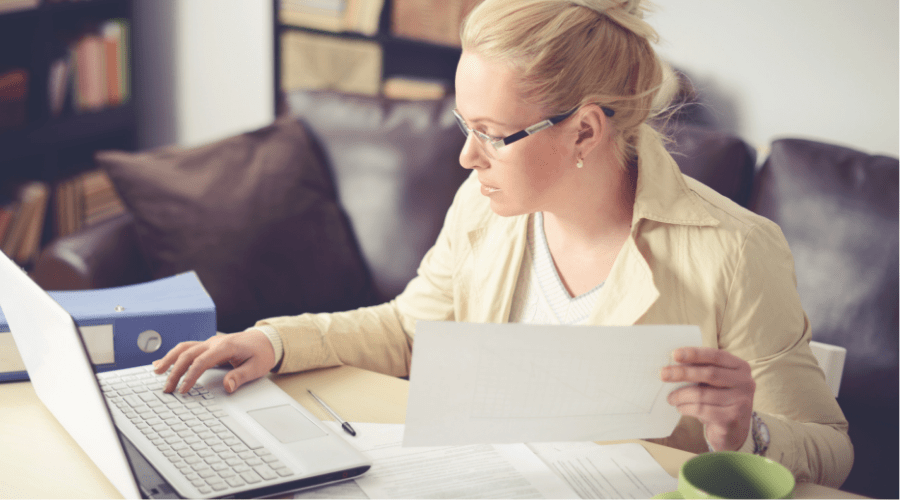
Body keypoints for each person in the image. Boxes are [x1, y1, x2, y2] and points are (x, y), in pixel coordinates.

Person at [153, 0, 853, 487]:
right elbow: (407, 329)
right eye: (464, 124)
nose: (466, 156)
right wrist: (273, 342)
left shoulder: (736, 251)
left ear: (584, 131)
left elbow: (832, 451)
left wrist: (746, 433)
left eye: (491, 131)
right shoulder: (487, 206)